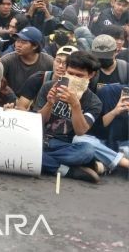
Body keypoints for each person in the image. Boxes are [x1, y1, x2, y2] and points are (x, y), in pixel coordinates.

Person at [34, 51, 103, 183]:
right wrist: (49, 103)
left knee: (87, 151)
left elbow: (80, 131)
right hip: (38, 139)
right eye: (70, 73)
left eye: (79, 75)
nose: (73, 78)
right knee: (25, 149)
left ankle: (43, 160)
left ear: (91, 75)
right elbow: (37, 122)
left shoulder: (94, 102)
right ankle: (67, 170)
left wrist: (75, 105)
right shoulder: (49, 86)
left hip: (62, 145)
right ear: (65, 71)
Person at [1, 26, 54, 93]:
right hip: (11, 101)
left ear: (35, 46)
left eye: (23, 42)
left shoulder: (49, 62)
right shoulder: (7, 60)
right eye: (17, 41)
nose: (18, 45)